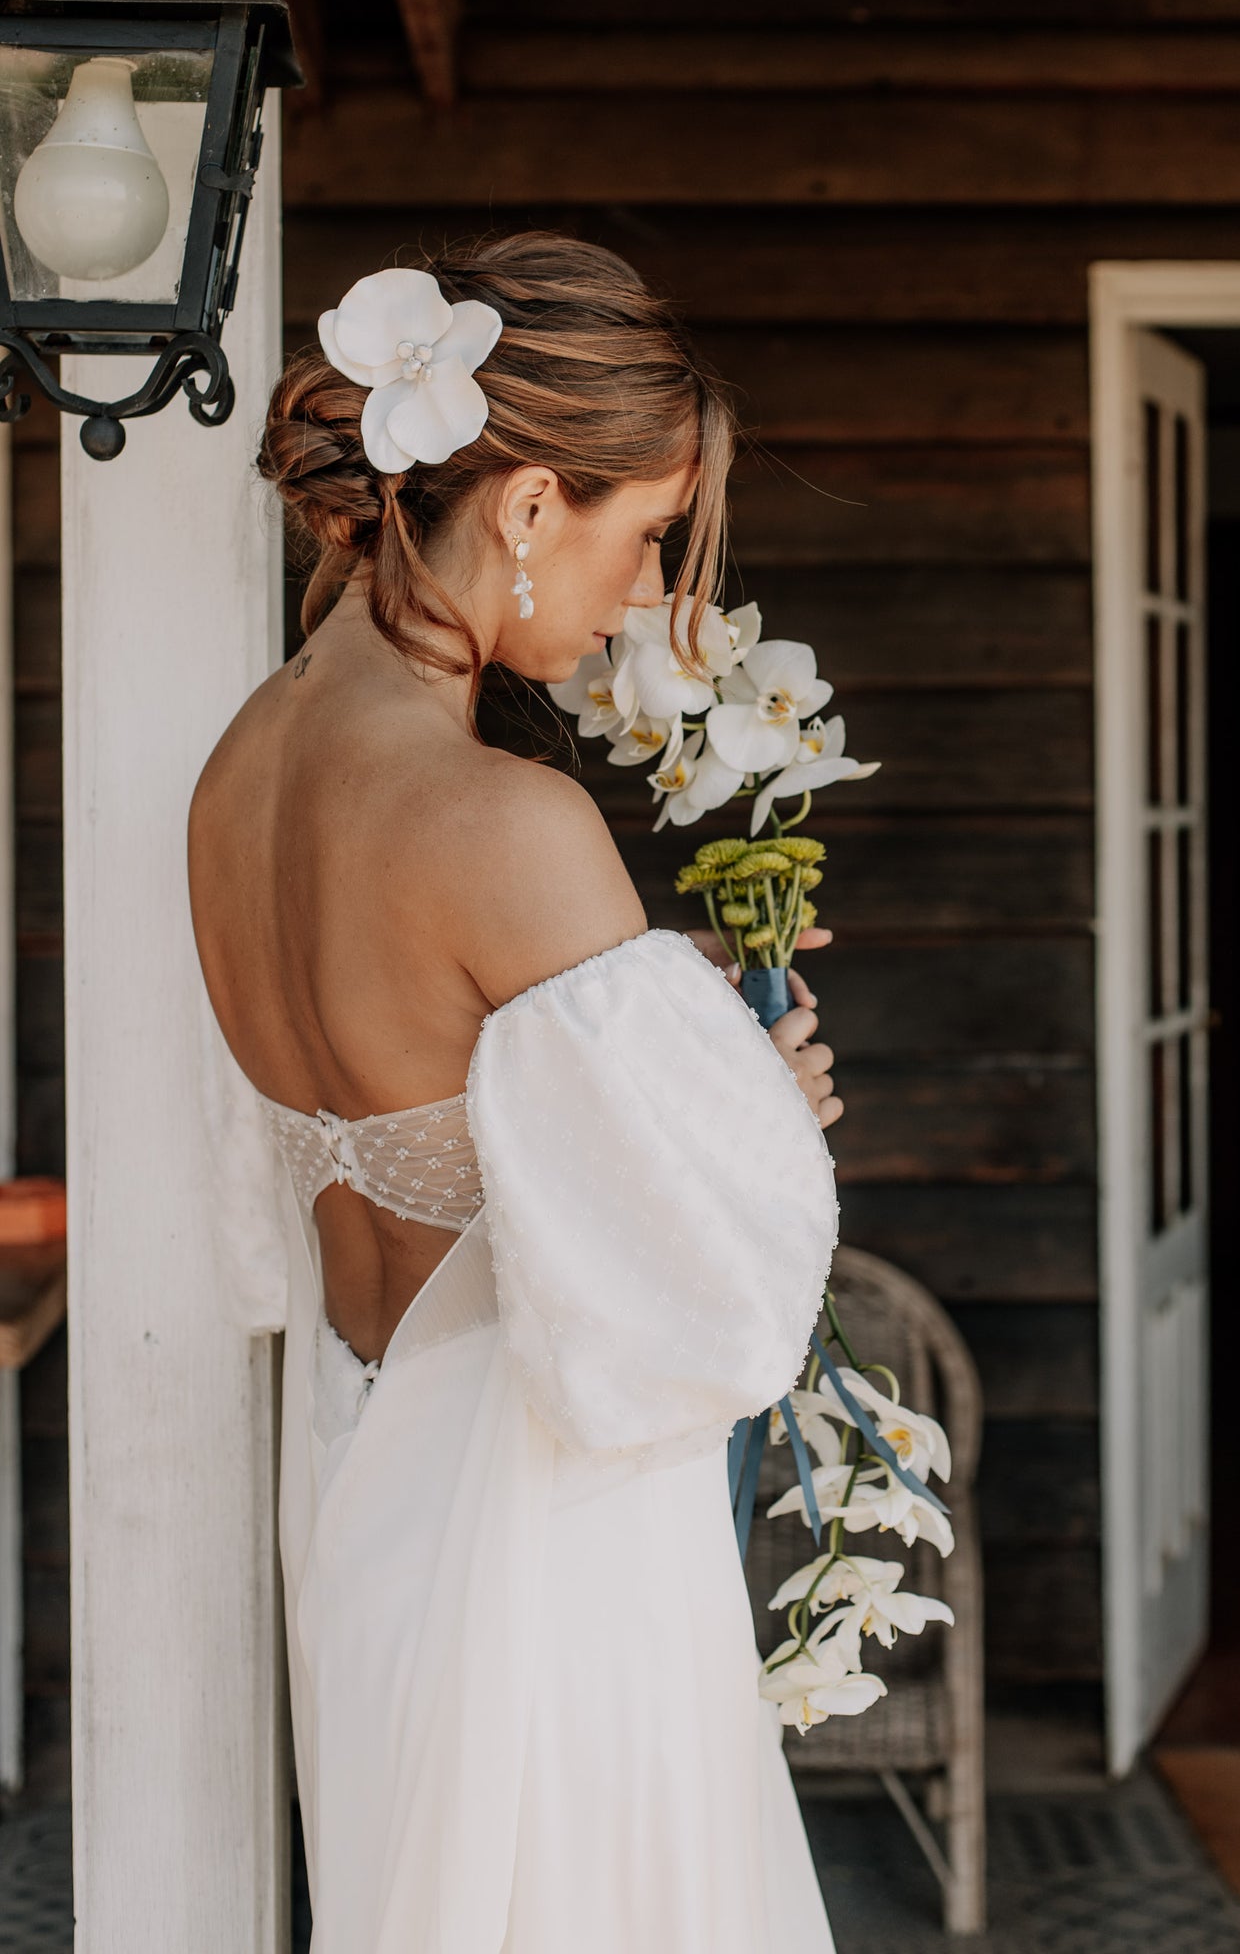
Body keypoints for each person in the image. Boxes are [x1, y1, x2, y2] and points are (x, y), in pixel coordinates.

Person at [188, 232, 844, 1953]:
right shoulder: (508, 823)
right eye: (641, 539)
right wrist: (755, 1103)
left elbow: (407, 1086)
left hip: (362, 1489)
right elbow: (705, 1301)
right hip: (545, 1534)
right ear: (530, 504)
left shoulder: (235, 773)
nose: (642, 601)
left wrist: (668, 1075)